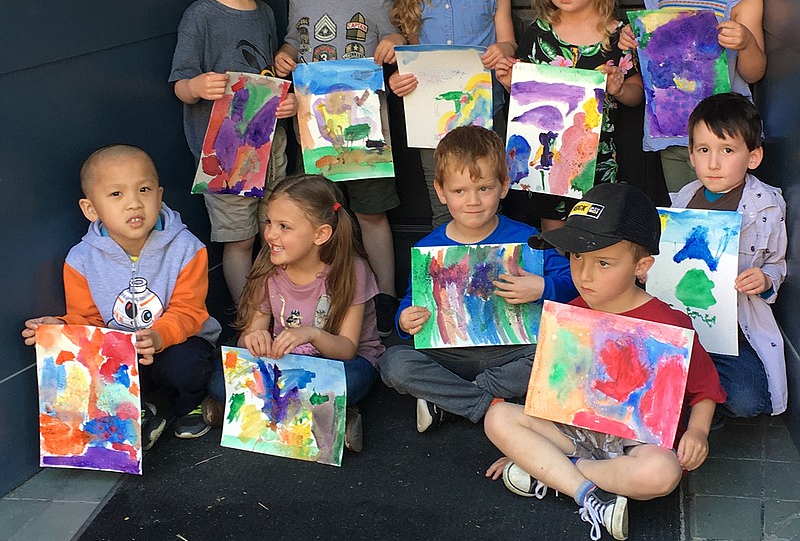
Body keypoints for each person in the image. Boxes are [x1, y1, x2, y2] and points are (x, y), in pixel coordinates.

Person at [484, 182, 725, 541]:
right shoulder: (571, 314)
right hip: (574, 433)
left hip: (635, 446)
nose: (584, 274)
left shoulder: (670, 325)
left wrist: (698, 432)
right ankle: (586, 493)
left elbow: (705, 388)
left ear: (641, 266)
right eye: (577, 257)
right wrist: (536, 443)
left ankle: (556, 475)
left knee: (662, 474)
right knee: (499, 416)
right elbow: (551, 396)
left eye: (604, 262)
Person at [22, 145, 221, 446]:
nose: (134, 203)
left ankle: (188, 404)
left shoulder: (187, 249)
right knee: (86, 367)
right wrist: (61, 326)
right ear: (91, 209)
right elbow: (86, 319)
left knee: (188, 363)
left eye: (143, 189)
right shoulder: (81, 259)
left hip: (174, 344)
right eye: (116, 194)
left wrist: (158, 336)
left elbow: (190, 312)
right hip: (121, 356)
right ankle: (141, 413)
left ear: (159, 194)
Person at [379, 128, 574, 432]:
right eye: (459, 191)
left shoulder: (528, 239)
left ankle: (450, 400)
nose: (472, 201)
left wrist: (543, 287)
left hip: (511, 352)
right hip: (448, 354)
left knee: (562, 351)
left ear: (504, 186)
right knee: (394, 363)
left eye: (484, 188)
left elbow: (572, 282)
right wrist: (405, 320)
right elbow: (412, 299)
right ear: (441, 192)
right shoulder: (428, 247)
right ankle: (493, 405)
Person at [273, 0, 404, 337]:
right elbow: (295, 37)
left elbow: (395, 35)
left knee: (371, 213)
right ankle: (323, 303)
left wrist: (392, 43)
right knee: (316, 217)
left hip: (364, 126)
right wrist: (286, 54)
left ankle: (385, 298)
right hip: (313, 129)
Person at [169, 0, 297, 305]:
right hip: (226, 155)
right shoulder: (200, 16)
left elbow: (268, 81)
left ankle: (278, 308)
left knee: (276, 232)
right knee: (239, 239)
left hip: (270, 146)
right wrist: (197, 87)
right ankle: (247, 315)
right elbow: (179, 83)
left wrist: (284, 102)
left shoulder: (264, 13)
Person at [497, 0, 643, 230]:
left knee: (597, 235)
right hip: (550, 161)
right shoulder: (539, 33)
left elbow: (637, 94)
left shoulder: (619, 37)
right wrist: (511, 83)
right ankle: (560, 282)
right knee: (555, 237)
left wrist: (619, 87)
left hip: (601, 163)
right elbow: (529, 97)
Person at [620, 0, 766, 193]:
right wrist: (632, 41)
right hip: (674, 128)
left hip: (724, 135)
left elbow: (754, 71)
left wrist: (746, 42)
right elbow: (651, 60)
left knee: (721, 212)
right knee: (682, 209)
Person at [224, 174, 384, 453]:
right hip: (288, 364)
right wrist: (254, 338)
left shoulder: (350, 271)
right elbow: (248, 338)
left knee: (353, 380)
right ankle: (333, 416)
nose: (271, 234)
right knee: (219, 376)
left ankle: (321, 412)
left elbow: (347, 349)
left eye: (284, 227)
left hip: (341, 363)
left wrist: (311, 334)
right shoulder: (268, 266)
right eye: (270, 222)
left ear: (321, 234)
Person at [389, 0, 516, 224]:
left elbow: (509, 43)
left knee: (486, 191)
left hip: (484, 109)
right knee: (442, 197)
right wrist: (400, 79)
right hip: (430, 114)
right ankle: (444, 270)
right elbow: (411, 53)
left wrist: (499, 50)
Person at [672, 92, 787, 419]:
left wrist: (764, 279)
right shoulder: (684, 198)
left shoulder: (766, 206)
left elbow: (777, 265)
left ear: (753, 156)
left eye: (727, 150)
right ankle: (690, 405)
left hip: (734, 335)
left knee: (748, 400)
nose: (713, 163)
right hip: (686, 327)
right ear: (691, 155)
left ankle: (696, 406)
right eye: (704, 150)